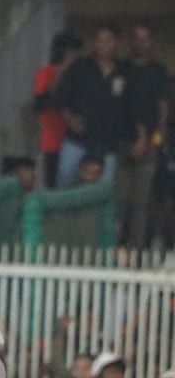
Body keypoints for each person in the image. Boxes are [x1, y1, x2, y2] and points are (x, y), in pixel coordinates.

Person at [55, 24, 131, 188]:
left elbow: (132, 106)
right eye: (99, 40)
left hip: (108, 141)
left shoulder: (125, 71)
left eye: (108, 40)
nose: (103, 45)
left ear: (117, 43)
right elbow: (61, 96)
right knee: (65, 178)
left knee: (104, 189)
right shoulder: (80, 67)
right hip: (78, 139)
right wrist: (68, 119)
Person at [119, 25, 168, 249]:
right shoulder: (122, 69)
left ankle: (136, 250)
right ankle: (116, 248)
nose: (140, 43)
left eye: (144, 39)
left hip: (149, 147)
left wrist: (155, 141)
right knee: (120, 200)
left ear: (151, 42)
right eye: (136, 38)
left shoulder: (158, 71)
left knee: (142, 204)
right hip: (122, 143)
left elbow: (163, 109)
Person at [34, 32, 83, 188]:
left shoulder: (80, 75)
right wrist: (61, 72)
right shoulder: (45, 74)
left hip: (77, 139)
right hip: (52, 140)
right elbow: (42, 102)